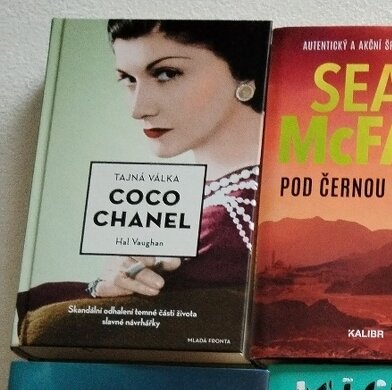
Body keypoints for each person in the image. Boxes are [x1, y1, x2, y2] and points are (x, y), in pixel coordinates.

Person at [19, 20, 269, 324]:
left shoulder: (232, 217)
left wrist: (97, 290)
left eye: (166, 74)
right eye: (128, 79)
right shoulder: (218, 205)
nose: (137, 109)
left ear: (244, 71)